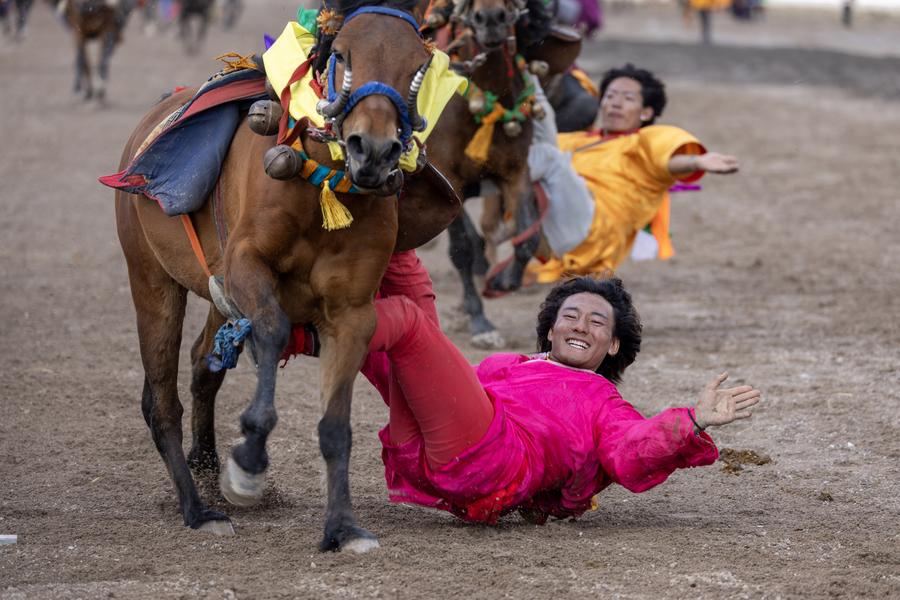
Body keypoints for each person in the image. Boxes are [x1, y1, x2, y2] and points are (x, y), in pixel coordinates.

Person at [287, 250, 762, 524]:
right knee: (405, 274)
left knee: (410, 322)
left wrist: (693, 421)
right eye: (570, 316)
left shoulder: (604, 401)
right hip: (439, 452)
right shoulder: (509, 364)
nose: (581, 325)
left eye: (597, 322)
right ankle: (285, 322)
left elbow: (631, 451)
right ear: (551, 329)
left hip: (491, 465)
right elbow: (427, 388)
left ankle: (290, 335)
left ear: (614, 344)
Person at [525, 63, 739, 286]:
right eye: (610, 96)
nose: (616, 103)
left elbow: (667, 161)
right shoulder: (574, 139)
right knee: (540, 116)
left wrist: (696, 161)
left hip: (593, 234)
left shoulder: (643, 142)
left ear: (646, 112)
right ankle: (522, 71)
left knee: (548, 155)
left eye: (628, 98)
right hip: (552, 231)